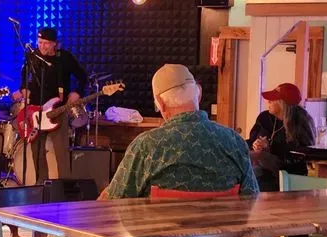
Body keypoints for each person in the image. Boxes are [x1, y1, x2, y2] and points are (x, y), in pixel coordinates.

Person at [100, 64, 259, 199]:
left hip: (159, 228)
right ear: (199, 95)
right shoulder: (234, 142)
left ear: (160, 103)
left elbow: (112, 204)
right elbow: (252, 199)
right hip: (221, 228)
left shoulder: (145, 147)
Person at [12, 27, 88, 185]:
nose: (42, 46)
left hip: (57, 111)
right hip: (35, 112)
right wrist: (24, 88)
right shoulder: (32, 56)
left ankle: (63, 187)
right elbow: (24, 76)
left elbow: (83, 77)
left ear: (55, 44)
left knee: (61, 153)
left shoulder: (65, 58)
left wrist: (77, 93)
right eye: (40, 42)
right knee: (36, 152)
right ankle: (40, 185)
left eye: (46, 43)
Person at [250, 83, 315, 191]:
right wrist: (256, 144)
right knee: (246, 157)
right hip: (263, 170)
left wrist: (269, 149)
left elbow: (300, 156)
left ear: (283, 103)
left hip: (289, 172)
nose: (268, 101)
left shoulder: (300, 121)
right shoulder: (264, 118)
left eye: (272, 99)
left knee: (256, 160)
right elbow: (251, 141)